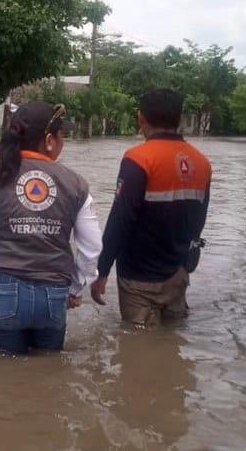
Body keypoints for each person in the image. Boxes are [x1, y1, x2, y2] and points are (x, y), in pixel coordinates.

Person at [0, 101, 102, 354]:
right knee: (49, 373)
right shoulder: (76, 184)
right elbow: (92, 248)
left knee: (2, 374)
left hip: (2, 293)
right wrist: (76, 288)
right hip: (53, 293)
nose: (62, 141)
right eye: (61, 135)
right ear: (48, 139)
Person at [91, 88, 212, 326]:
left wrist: (101, 271)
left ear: (140, 117)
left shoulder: (139, 159)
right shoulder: (202, 162)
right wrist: (187, 264)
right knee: (173, 343)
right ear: (179, 119)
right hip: (178, 274)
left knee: (138, 350)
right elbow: (199, 221)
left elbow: (120, 220)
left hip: (138, 278)